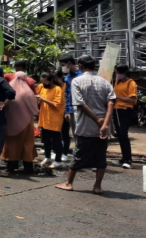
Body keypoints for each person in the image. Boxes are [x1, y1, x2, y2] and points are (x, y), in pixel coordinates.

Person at [56, 55, 116, 195]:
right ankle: (97, 186)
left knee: (79, 154)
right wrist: (104, 123)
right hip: (103, 128)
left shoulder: (77, 81)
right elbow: (111, 102)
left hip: (85, 125)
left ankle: (68, 183)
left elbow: (80, 104)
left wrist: (97, 120)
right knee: (101, 157)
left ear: (81, 67)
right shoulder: (105, 82)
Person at [0, 71, 39, 174]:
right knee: (27, 144)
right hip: (27, 123)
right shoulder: (28, 92)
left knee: (12, 144)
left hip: (12, 122)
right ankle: (28, 168)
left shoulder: (8, 91)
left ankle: (11, 167)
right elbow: (35, 110)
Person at [36, 72, 65, 168]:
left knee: (56, 140)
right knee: (46, 140)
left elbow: (56, 104)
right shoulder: (42, 87)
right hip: (45, 118)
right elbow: (37, 96)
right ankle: (48, 157)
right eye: (42, 82)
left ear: (51, 81)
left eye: (45, 82)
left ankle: (58, 160)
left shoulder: (57, 89)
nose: (43, 84)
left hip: (54, 119)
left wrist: (43, 99)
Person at [111, 64, 137, 169]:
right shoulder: (117, 81)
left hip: (125, 111)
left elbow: (132, 99)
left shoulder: (131, 83)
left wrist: (117, 97)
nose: (116, 74)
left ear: (124, 72)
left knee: (123, 135)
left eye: (117, 72)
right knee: (120, 136)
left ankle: (128, 160)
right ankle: (123, 158)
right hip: (116, 110)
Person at [59, 54, 82, 162]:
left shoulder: (81, 75)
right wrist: (67, 111)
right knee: (75, 133)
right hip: (72, 110)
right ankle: (79, 155)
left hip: (83, 109)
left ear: (69, 64)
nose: (62, 68)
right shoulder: (67, 78)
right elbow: (67, 95)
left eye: (63, 65)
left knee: (83, 133)